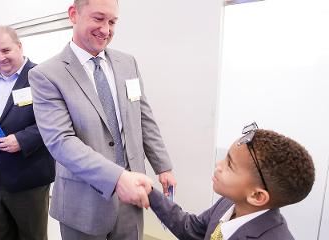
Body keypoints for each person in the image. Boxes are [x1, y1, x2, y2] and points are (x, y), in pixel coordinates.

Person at [28, 0, 176, 239]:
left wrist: (163, 166)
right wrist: (117, 178)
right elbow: (61, 141)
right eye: (98, 19)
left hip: (131, 201)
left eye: (112, 21)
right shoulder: (46, 75)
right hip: (83, 203)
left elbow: (143, 116)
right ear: (74, 14)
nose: (106, 30)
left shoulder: (127, 63)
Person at [149, 122, 315, 240]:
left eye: (229, 165)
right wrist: (149, 192)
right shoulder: (229, 204)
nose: (218, 165)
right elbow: (192, 230)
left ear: (257, 196)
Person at [0, 25, 55, 240]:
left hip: (28, 178)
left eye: (6, 50)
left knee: (31, 236)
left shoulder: (42, 76)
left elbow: (54, 120)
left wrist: (22, 139)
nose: (1, 58)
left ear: (19, 46)